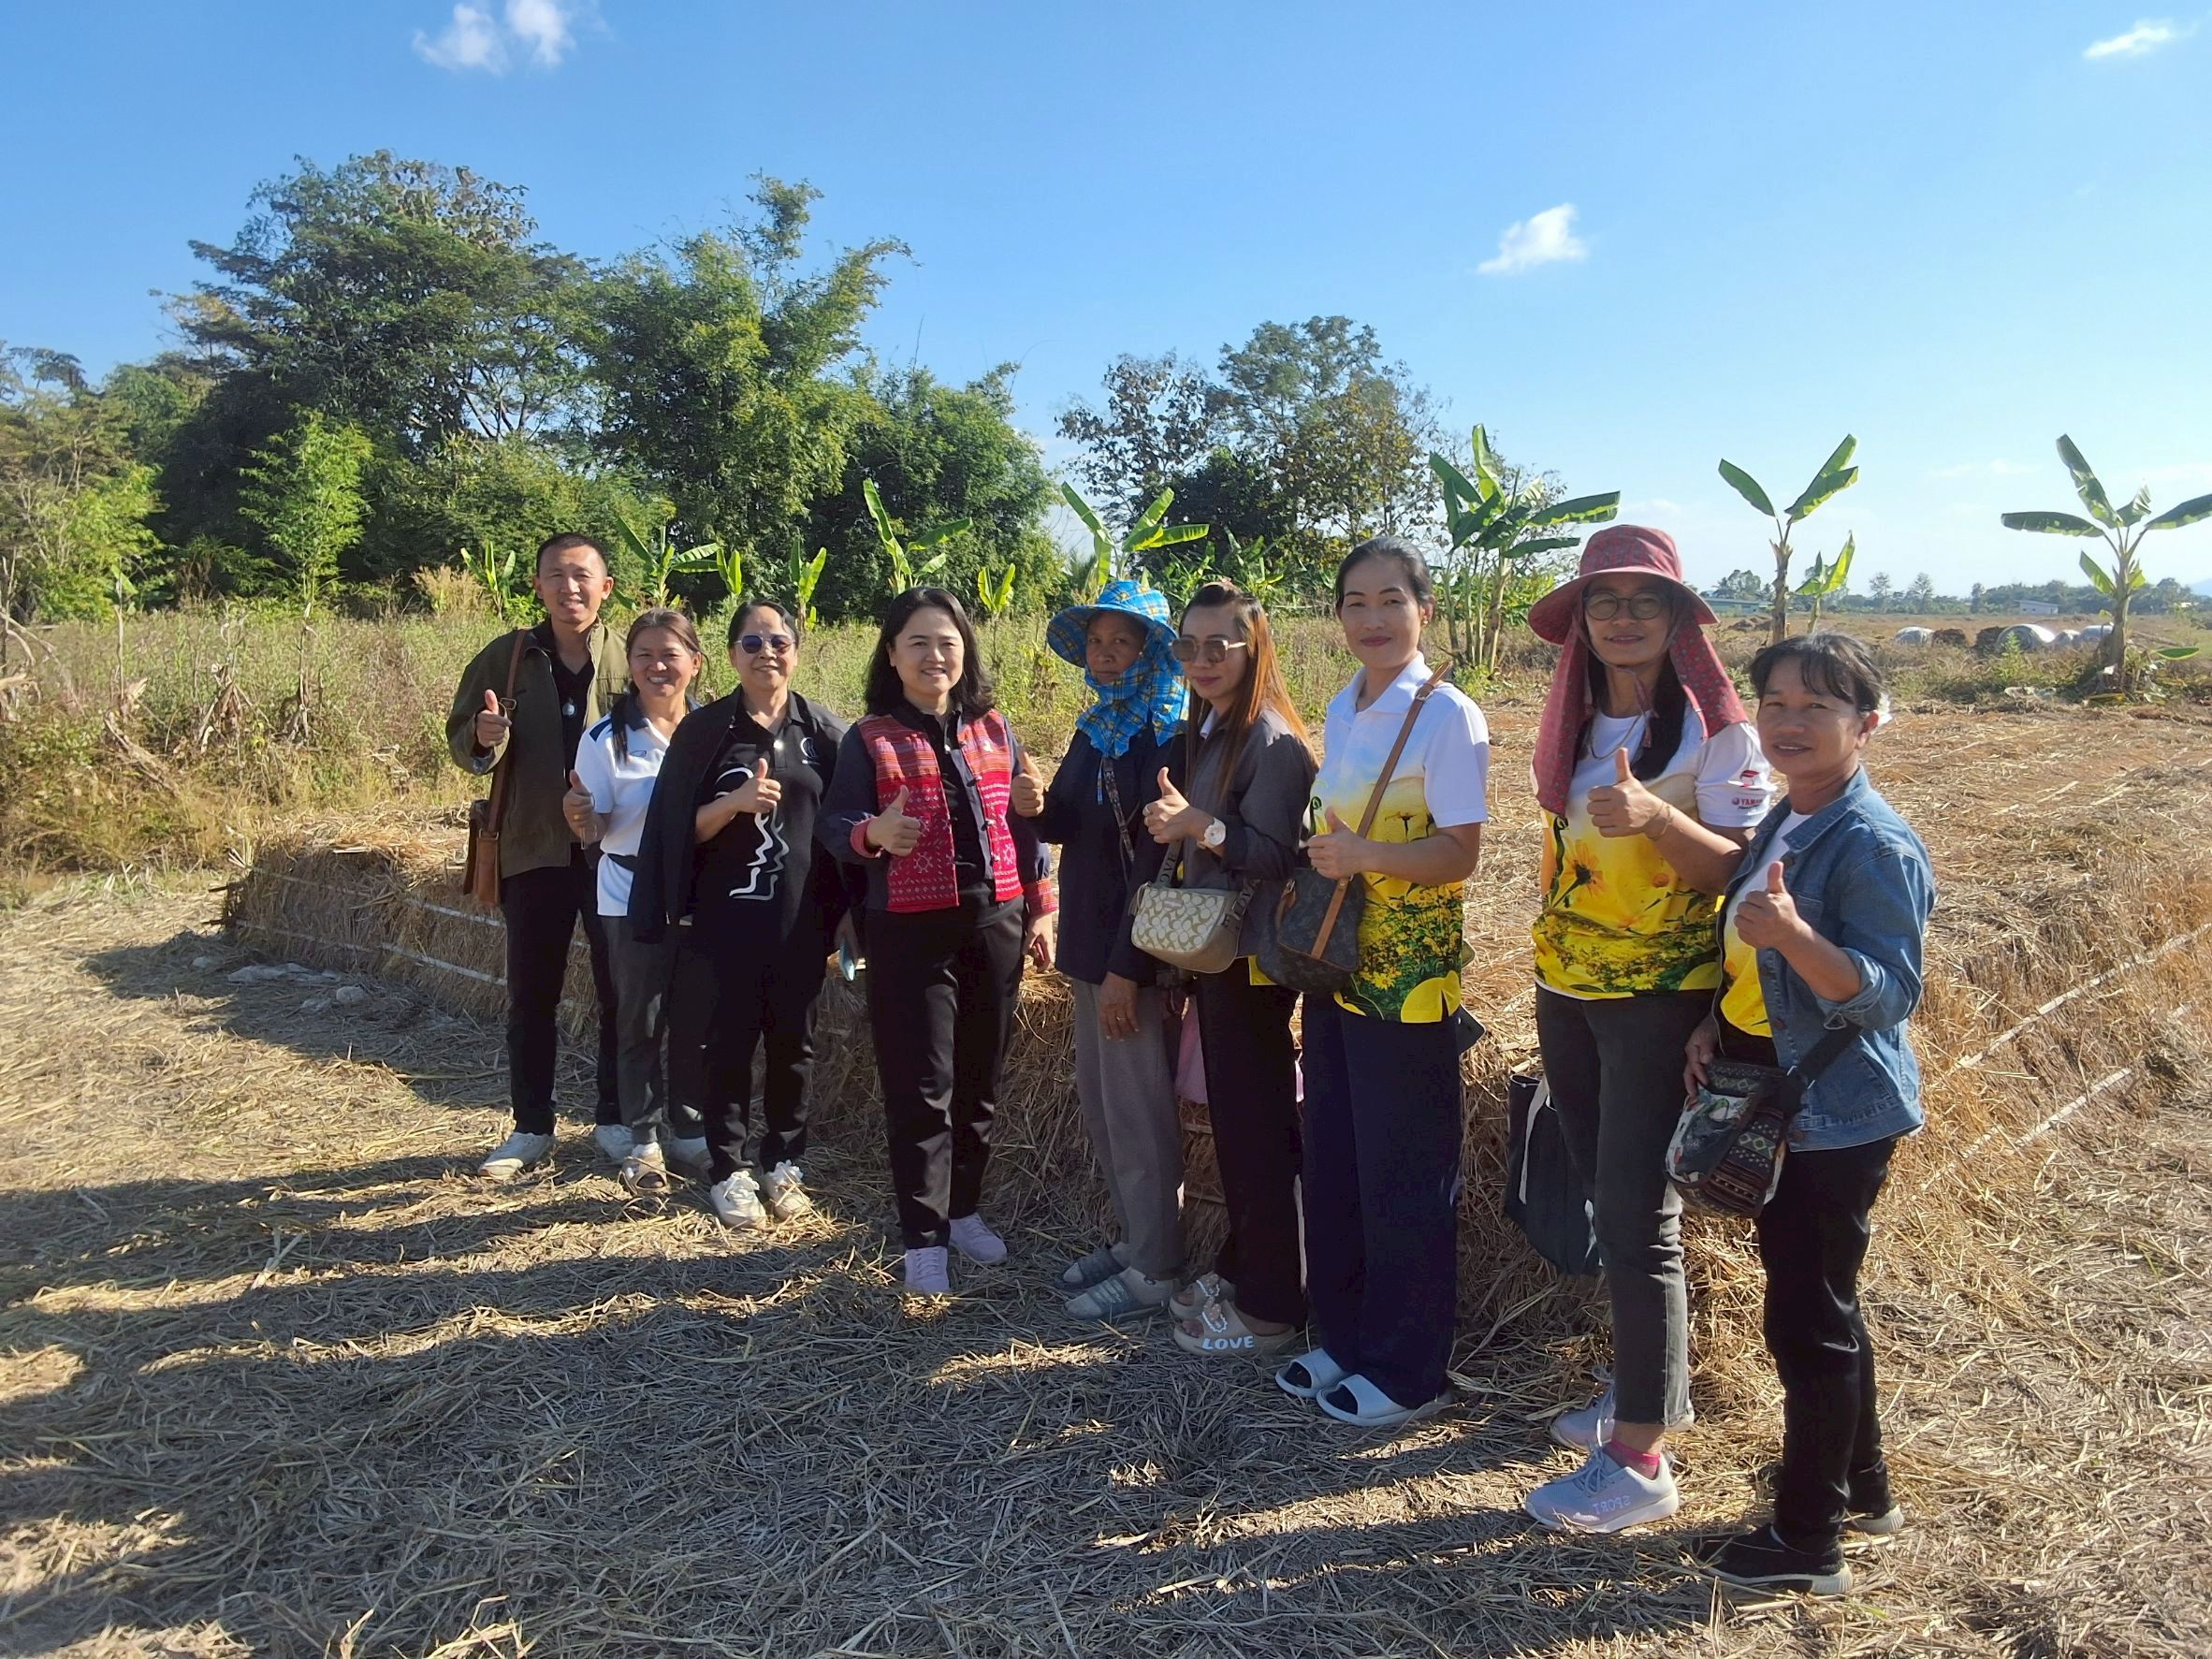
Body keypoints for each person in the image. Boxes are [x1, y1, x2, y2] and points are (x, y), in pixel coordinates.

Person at [1521, 526, 1775, 1533]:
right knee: (1601, 1195)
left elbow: (1746, 874)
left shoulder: (1719, 738)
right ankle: (1645, 1397)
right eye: (1604, 601)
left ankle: (1640, 1462)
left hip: (1661, 1001)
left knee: (1639, 1215)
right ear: (1582, 622)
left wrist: (1658, 820)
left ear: (1677, 620)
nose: (1623, 617)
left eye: (1645, 600)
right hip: (1567, 988)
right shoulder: (1574, 728)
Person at [1684, 633, 1930, 1596]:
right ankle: (1862, 1487)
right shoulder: (1788, 814)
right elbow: (1752, 956)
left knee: (1806, 1321)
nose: (1787, 722)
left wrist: (1793, 932)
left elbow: (1885, 995)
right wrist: (1715, 1025)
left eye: (1815, 706)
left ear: (1866, 724)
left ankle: (1807, 1541)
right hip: (1777, 1082)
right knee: (1825, 1301)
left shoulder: (1872, 842)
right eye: (1773, 702)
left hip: (1837, 1113)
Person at [1274, 536, 1489, 1427]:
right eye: (1355, 602)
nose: (1372, 618)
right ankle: (1347, 1336)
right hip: (1338, 964)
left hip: (1409, 979)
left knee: (1403, 1170)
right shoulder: (1341, 703)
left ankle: (1408, 1369)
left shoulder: (1449, 715)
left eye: (1390, 599)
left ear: (1424, 611)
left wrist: (1367, 853)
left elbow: (1461, 852)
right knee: (1335, 1158)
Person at [820, 588, 1057, 1295]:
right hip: (909, 931)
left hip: (997, 922)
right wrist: (875, 835)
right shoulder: (869, 738)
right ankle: (922, 1236)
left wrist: (1041, 906)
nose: (935, 655)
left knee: (980, 1081)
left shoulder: (994, 728)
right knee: (921, 1085)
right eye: (918, 642)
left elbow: (1026, 825)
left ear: (966, 651)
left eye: (947, 641)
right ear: (892, 654)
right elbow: (837, 825)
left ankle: (964, 1210)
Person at [630, 598, 858, 1230]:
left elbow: (845, 829)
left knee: (794, 1047)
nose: (767, 653)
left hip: (801, 924)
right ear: (730, 655)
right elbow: (675, 831)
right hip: (722, 924)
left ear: (797, 649)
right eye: (752, 643)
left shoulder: (827, 734)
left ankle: (784, 1164)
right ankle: (728, 1169)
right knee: (726, 1045)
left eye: (778, 641)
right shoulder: (705, 734)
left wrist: (847, 915)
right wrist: (731, 803)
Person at [1145, 580, 1317, 1360]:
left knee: (1257, 1132)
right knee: (1244, 1129)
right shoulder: (1212, 728)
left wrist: (1199, 825)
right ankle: (1244, 1267)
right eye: (1189, 645)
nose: (1203, 659)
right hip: (1220, 953)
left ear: (1256, 648)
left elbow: (1279, 855)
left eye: (1221, 645)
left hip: (1252, 959)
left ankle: (1273, 1309)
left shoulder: (1272, 740)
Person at [1015, 579, 1186, 1319]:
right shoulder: (1097, 727)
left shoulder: (1165, 735)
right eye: (1098, 641)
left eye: (1125, 641)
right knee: (1104, 1107)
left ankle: (1157, 1266)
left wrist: (1128, 968)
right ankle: (1134, 1237)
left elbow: (1156, 863)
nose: (1109, 653)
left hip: (1132, 953)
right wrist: (1034, 807)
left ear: (1151, 651)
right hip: (1088, 945)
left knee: (1140, 1112)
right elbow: (1067, 824)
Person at [447, 533, 633, 1180]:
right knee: (532, 993)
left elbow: (670, 731)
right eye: (556, 576)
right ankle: (532, 1126)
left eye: (583, 576)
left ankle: (618, 1119)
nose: (569, 587)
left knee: (622, 990)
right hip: (533, 847)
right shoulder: (507, 657)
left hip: (614, 851)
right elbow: (465, 741)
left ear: (606, 588)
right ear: (537, 586)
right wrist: (483, 734)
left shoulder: (631, 656)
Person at [564, 609, 708, 1194]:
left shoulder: (715, 732)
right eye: (644, 655)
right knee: (639, 1018)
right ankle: (643, 1137)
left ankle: (693, 1131)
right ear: (629, 664)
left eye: (670, 655)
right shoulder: (605, 738)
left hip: (703, 895)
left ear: (695, 664)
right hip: (628, 892)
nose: (657, 666)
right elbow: (592, 828)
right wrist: (580, 818)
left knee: (698, 1015)